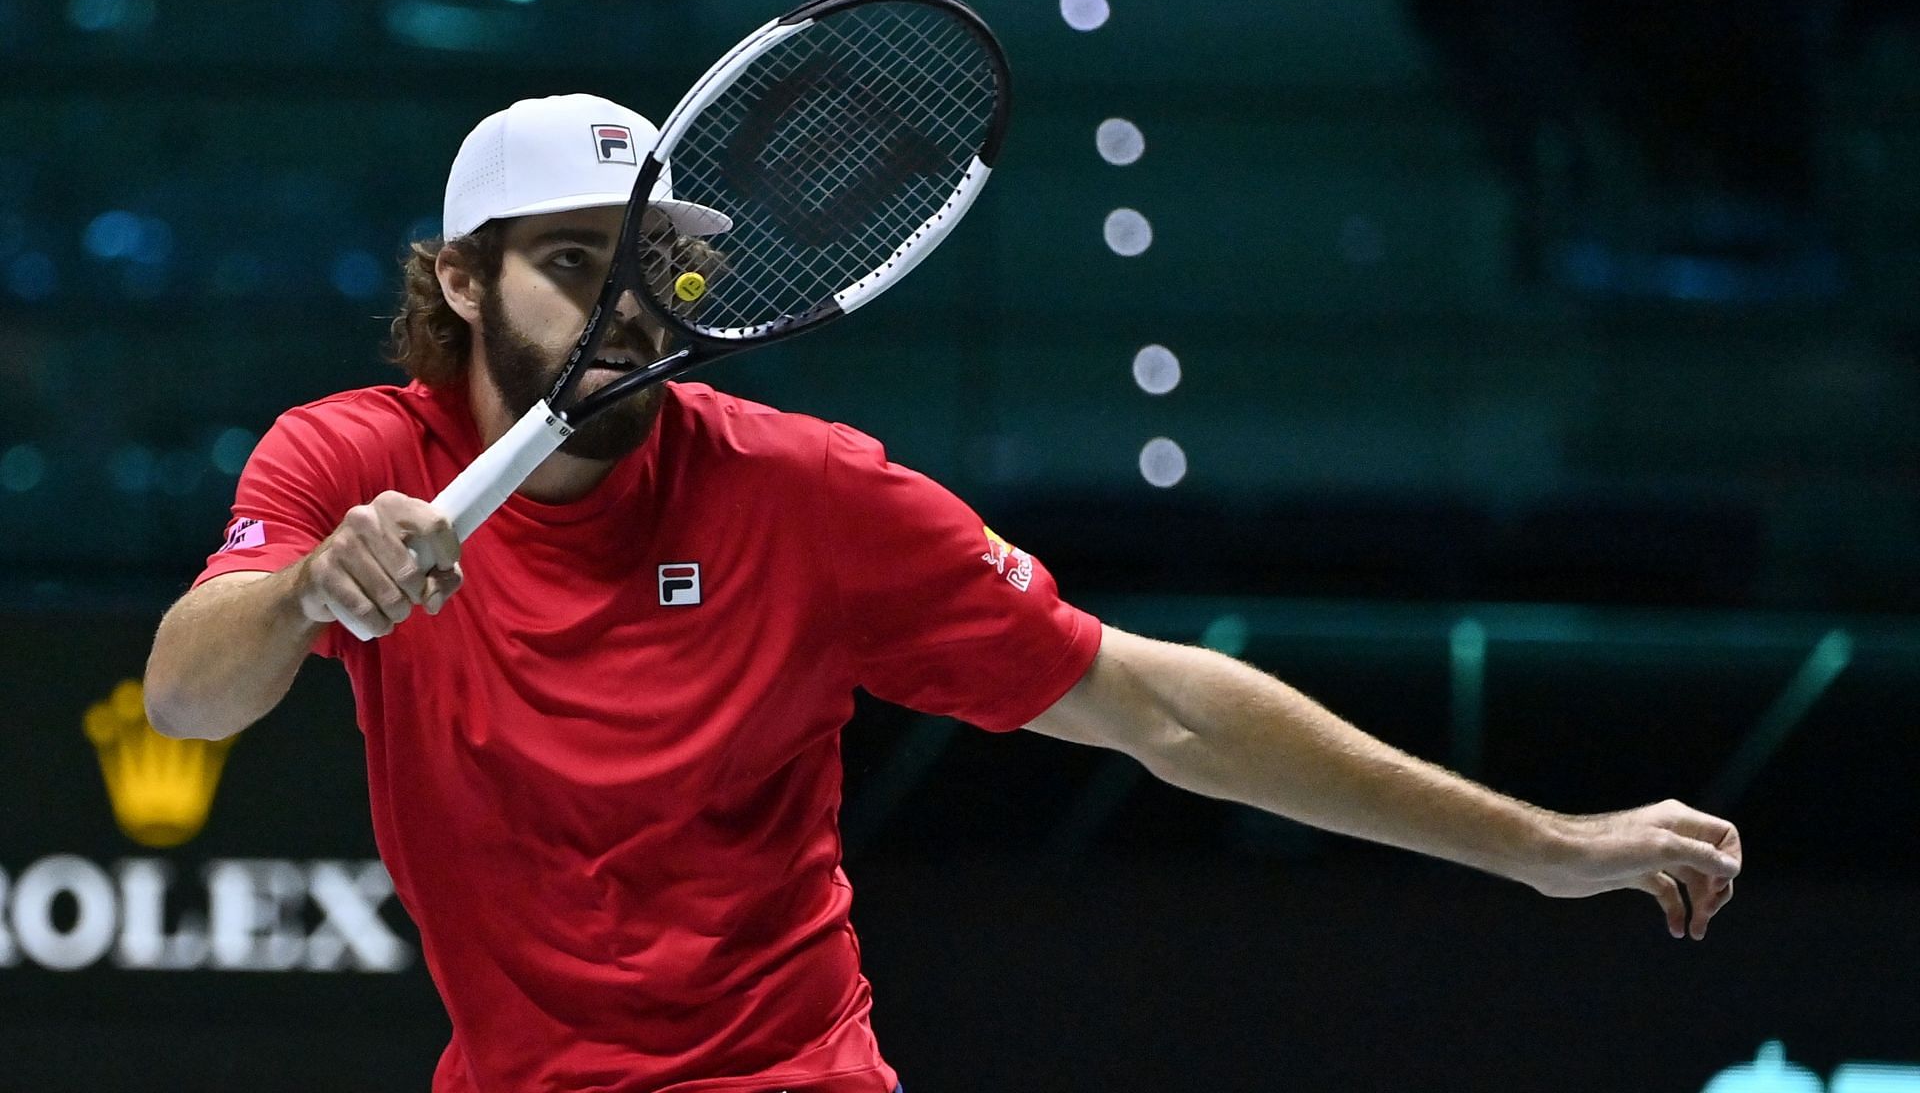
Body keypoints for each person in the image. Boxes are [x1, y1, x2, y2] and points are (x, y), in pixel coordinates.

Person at [144, 94, 1742, 1093]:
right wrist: (303, 597)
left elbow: (1159, 707)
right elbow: (185, 697)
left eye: (650, 268)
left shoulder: (807, 494)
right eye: (576, 263)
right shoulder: (354, 459)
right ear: (461, 278)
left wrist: (1543, 850)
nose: (627, 306)